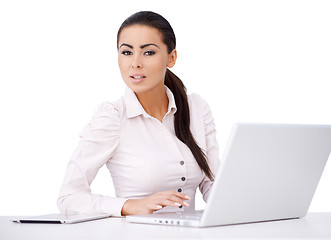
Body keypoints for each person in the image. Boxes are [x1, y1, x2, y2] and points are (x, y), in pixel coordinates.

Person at [57, 11, 220, 216]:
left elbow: (212, 182)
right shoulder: (112, 117)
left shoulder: (196, 108)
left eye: (148, 52)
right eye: (126, 52)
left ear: (171, 58)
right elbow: (68, 198)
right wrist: (129, 206)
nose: (135, 63)